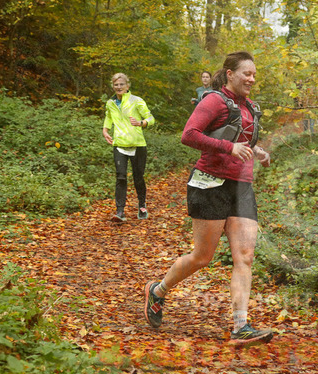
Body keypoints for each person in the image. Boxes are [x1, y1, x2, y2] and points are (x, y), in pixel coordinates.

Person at [144, 51, 273, 345]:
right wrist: (228, 148)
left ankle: (241, 326)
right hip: (210, 183)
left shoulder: (250, 107)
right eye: (247, 74)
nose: (252, 79)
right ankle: (158, 290)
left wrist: (258, 151)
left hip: (241, 186)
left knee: (245, 256)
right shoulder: (214, 100)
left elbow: (242, 140)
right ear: (230, 74)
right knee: (203, 257)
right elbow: (189, 135)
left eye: (254, 75)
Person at [102, 73, 155, 222]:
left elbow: (151, 118)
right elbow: (109, 117)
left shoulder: (136, 101)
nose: (119, 87)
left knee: (138, 178)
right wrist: (105, 130)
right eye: (116, 85)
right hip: (119, 144)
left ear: (127, 85)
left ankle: (142, 206)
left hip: (137, 145)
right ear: (113, 86)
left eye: (121, 84)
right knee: (121, 177)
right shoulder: (110, 103)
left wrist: (141, 123)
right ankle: (120, 211)